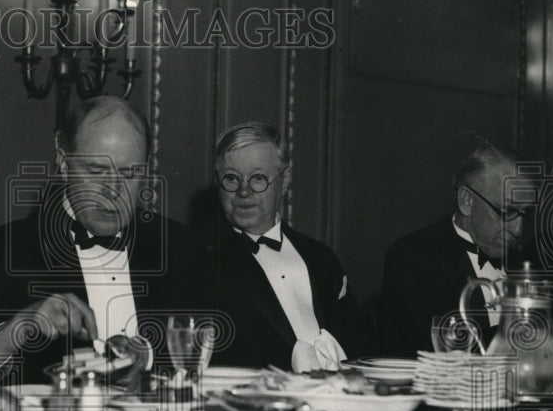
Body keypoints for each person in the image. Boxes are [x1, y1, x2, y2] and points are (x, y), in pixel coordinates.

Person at [0, 95, 201, 384]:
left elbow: (210, 344)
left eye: (129, 173)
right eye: (96, 171)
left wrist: (145, 355)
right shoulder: (10, 248)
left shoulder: (179, 246)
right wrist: (18, 329)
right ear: (63, 161)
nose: (112, 191)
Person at [199, 121, 372, 371]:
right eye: (231, 179)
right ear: (218, 181)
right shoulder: (200, 260)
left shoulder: (321, 257)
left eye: (258, 178)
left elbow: (360, 344)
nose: (244, 191)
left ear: (285, 180)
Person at [379, 142, 527, 357]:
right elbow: (445, 350)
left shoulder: (523, 263)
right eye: (507, 211)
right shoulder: (413, 256)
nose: (518, 229)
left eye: (525, 214)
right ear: (466, 201)